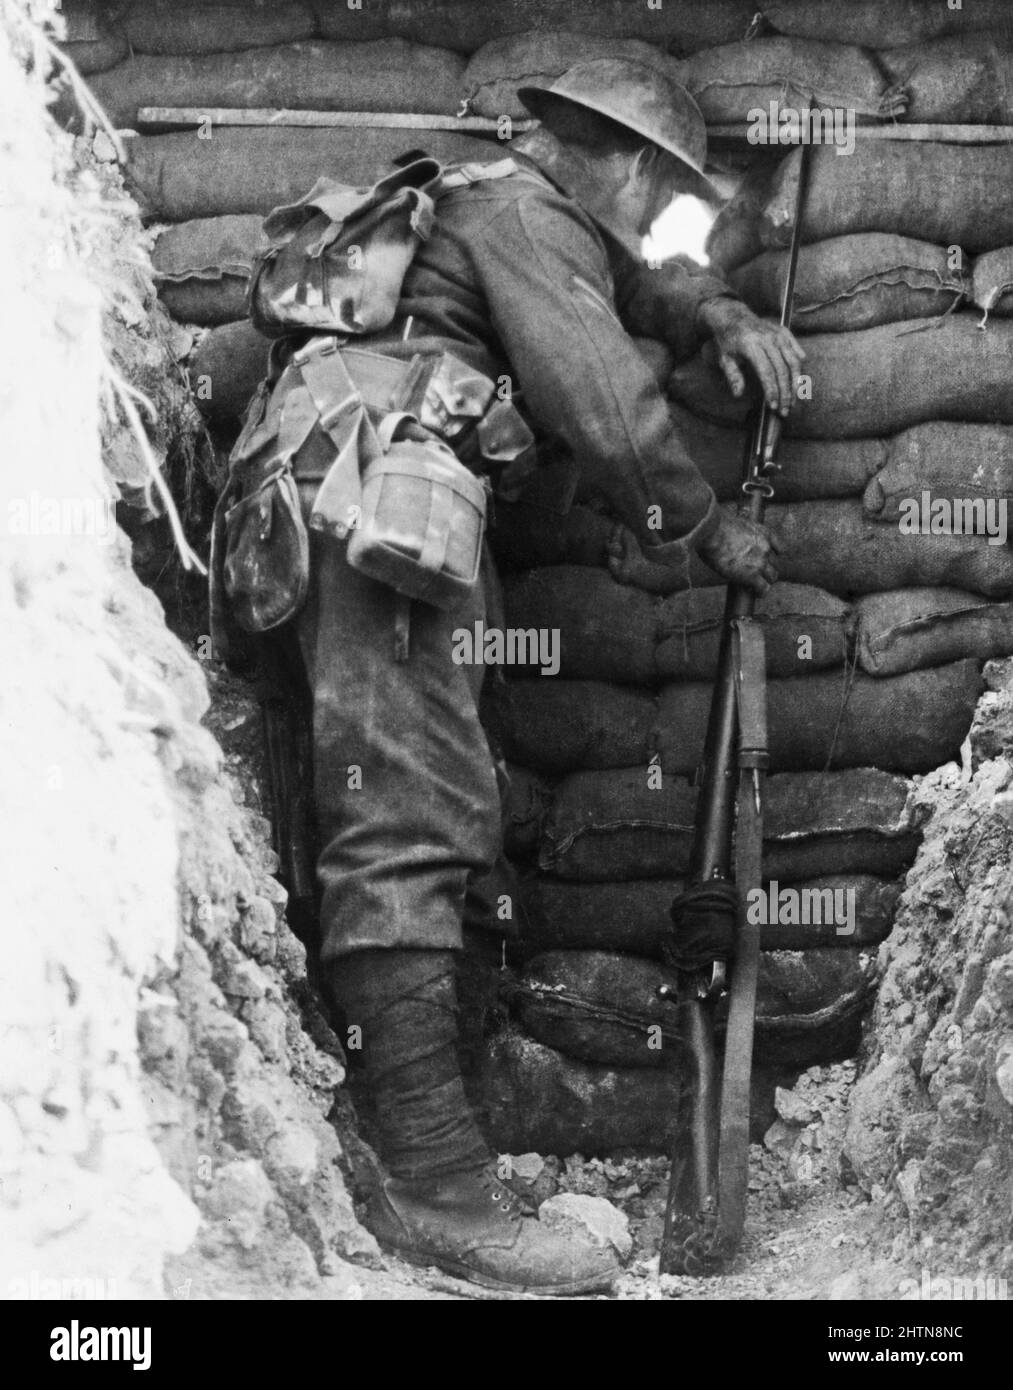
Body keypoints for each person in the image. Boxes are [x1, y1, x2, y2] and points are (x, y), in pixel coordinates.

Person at [293, 59, 803, 1294]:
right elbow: (607, 402)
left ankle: (424, 1149)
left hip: (402, 514)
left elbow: (629, 287)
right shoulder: (523, 216)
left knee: (441, 809)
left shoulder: (501, 207)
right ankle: (436, 1193)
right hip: (387, 522)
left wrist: (713, 311)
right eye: (658, 191)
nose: (652, 220)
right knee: (411, 820)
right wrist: (698, 528)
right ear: (624, 165)